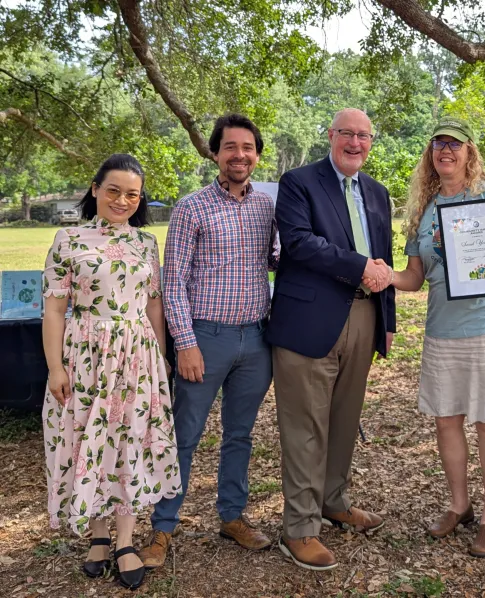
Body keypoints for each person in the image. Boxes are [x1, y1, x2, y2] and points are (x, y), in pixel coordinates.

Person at [376, 117, 485, 558]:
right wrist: (386, 276)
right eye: (438, 144)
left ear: (469, 152)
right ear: (430, 153)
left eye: (455, 144)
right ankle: (459, 505)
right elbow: (415, 278)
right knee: (446, 419)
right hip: (443, 329)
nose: (446, 150)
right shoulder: (423, 211)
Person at [139, 114, 279, 568]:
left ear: (256, 155)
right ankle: (163, 527)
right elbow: (173, 281)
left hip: (256, 339)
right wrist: (185, 343)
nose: (240, 155)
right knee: (185, 435)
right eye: (230, 147)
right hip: (205, 337)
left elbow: (275, 259)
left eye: (248, 148)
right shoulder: (191, 208)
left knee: (240, 434)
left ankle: (232, 516)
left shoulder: (267, 207)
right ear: (215, 153)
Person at [42, 154, 181, 590]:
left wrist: (160, 357)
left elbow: (154, 304)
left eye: (132, 195)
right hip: (85, 357)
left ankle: (124, 540)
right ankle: (98, 535)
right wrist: (55, 367)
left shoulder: (146, 243)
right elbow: (54, 309)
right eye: (114, 191)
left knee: (129, 441)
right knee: (89, 438)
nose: (122, 200)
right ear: (96, 189)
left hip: (137, 358)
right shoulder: (68, 239)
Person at [267, 108, 395, 571]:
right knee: (306, 426)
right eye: (347, 134)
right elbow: (299, 243)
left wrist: (387, 320)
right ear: (331, 135)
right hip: (309, 319)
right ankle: (299, 528)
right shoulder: (299, 183)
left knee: (344, 418)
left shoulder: (377, 193)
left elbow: (383, 258)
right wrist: (360, 267)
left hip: (363, 315)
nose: (355, 143)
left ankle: (333, 501)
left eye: (364, 135)